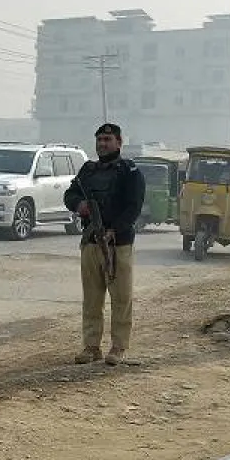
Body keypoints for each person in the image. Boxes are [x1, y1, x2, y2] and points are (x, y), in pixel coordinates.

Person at [63, 123, 145, 365]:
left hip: (118, 244)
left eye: (107, 140)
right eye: (99, 140)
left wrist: (113, 231)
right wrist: (80, 205)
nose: (102, 144)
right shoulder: (88, 170)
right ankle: (91, 347)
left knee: (121, 297)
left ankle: (118, 347)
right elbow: (70, 194)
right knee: (92, 298)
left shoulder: (129, 171)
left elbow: (134, 208)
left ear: (119, 143)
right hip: (90, 241)